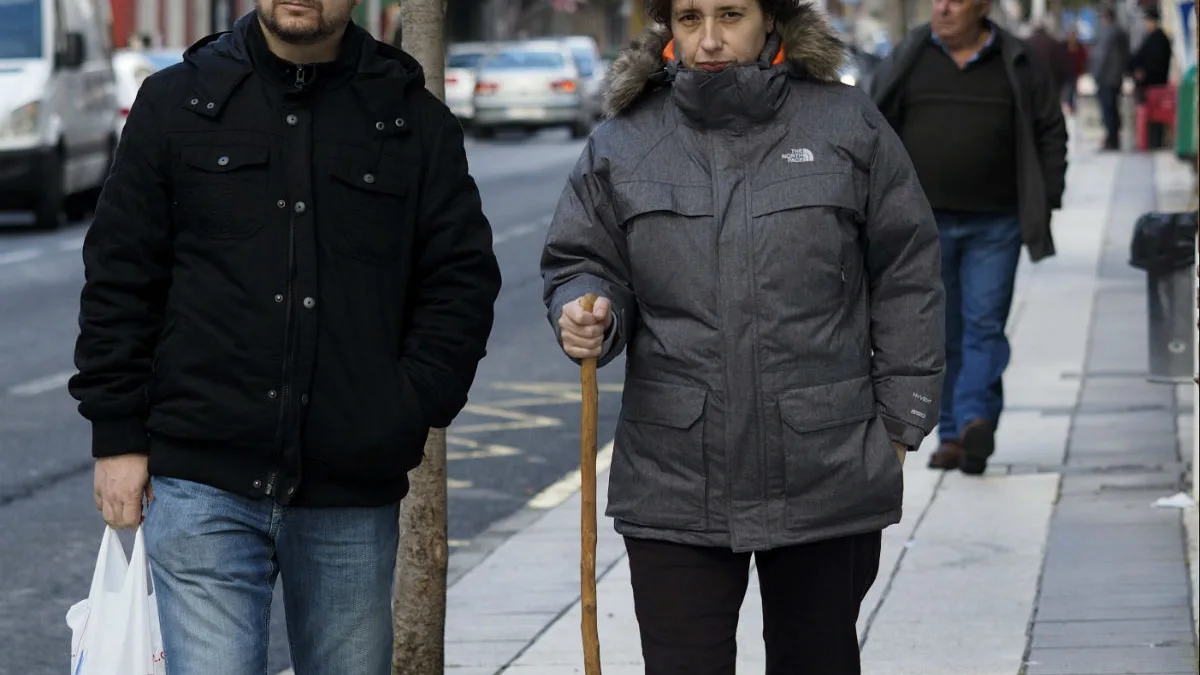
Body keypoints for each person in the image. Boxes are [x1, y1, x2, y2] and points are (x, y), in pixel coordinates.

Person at [68, 1, 502, 673]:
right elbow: (121, 277)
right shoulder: (175, 101)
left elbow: (460, 283)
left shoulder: (412, 118)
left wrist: (404, 407)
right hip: (199, 482)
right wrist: (118, 435)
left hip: (350, 492)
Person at [540, 0, 945, 672]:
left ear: (772, 19)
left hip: (825, 466)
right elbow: (583, 258)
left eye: (730, 14)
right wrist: (589, 308)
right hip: (674, 470)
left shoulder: (846, 123)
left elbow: (907, 266)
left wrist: (902, 418)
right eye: (690, 16)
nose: (708, 39)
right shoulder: (625, 139)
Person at [868, 0, 1067, 474]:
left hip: (997, 222)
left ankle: (973, 421)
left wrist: (1046, 197)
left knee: (983, 323)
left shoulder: (1016, 59)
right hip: (925, 224)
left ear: (983, 6)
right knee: (944, 331)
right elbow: (872, 125)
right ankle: (958, 432)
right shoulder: (910, 55)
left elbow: (1050, 130)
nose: (943, 7)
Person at [1127, 7, 1173, 148]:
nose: (1146, 24)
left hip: (1155, 86)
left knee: (1152, 116)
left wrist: (1143, 72)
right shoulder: (1150, 38)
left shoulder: (1159, 39)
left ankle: (1154, 142)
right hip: (1148, 85)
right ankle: (1149, 141)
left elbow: (1155, 62)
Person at [1090, 5, 1131, 150]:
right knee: (1113, 108)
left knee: (1108, 110)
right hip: (1116, 77)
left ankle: (1111, 140)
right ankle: (1114, 138)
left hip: (1106, 77)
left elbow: (1102, 57)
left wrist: (1095, 74)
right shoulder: (1121, 33)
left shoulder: (1107, 34)